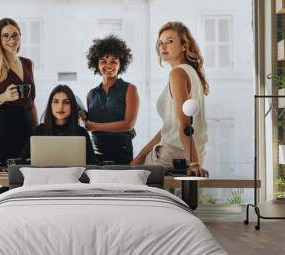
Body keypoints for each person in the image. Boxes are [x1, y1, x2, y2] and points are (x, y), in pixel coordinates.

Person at [131, 21, 209, 177]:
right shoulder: (191, 73)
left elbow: (184, 124)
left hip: (172, 156)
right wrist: (140, 156)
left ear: (184, 46)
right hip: (189, 153)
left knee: (128, 183)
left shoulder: (177, 74)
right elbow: (170, 128)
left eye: (170, 41)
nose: (163, 46)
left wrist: (194, 163)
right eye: (160, 43)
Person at [0, 18, 38, 166]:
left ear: (20, 37)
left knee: (25, 185)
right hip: (0, 132)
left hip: (25, 131)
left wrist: (37, 132)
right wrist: (3, 97)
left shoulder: (28, 64)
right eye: (6, 36)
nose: (11, 40)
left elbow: (31, 103)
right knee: (0, 186)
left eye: (15, 35)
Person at [85, 35, 139, 165]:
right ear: (97, 64)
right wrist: (84, 116)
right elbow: (91, 121)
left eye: (114, 61)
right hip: (96, 153)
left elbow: (128, 124)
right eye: (103, 61)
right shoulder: (91, 94)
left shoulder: (129, 89)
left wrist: (93, 126)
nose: (108, 65)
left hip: (121, 153)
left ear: (120, 65)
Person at [20, 85, 96, 164]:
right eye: (56, 101)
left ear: (72, 106)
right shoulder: (39, 130)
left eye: (66, 102)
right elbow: (22, 160)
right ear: (50, 105)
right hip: (44, 176)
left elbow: (92, 164)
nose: (60, 106)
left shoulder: (81, 132)